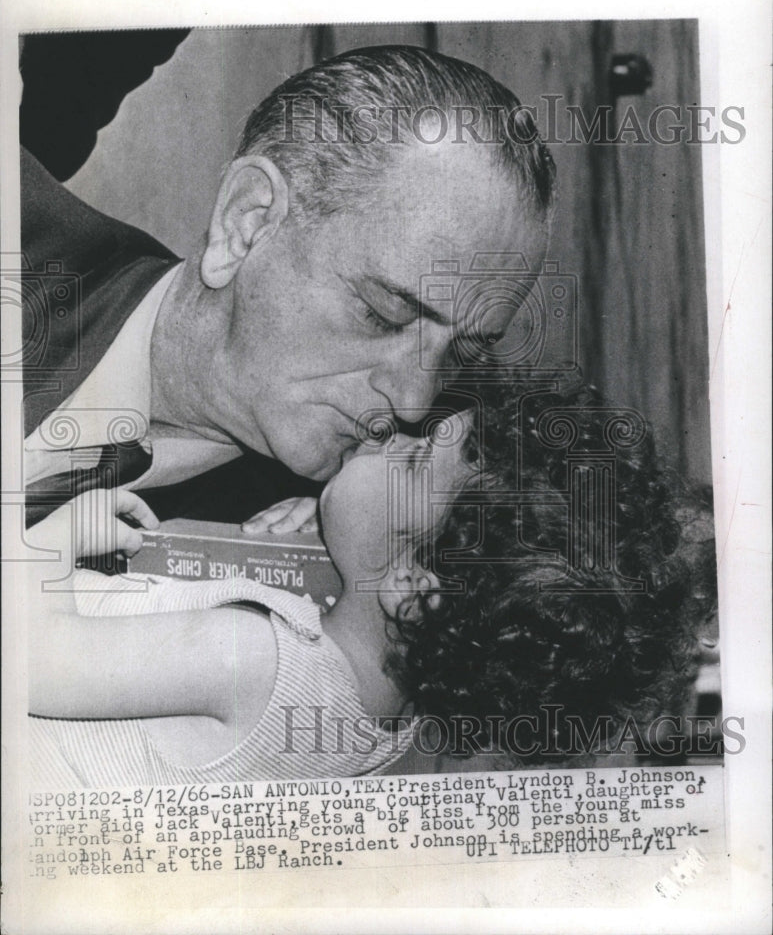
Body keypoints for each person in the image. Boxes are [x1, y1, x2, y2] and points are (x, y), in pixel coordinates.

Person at [27, 376, 714, 786]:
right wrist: (341, 543)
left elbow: (28, 662)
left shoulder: (256, 663)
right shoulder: (386, 724)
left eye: (413, 460)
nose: (394, 433)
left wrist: (52, 547)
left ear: (414, 585)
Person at [22, 44, 555, 532]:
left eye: (460, 353)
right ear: (246, 223)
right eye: (383, 313)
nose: (414, 403)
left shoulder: (345, 548)